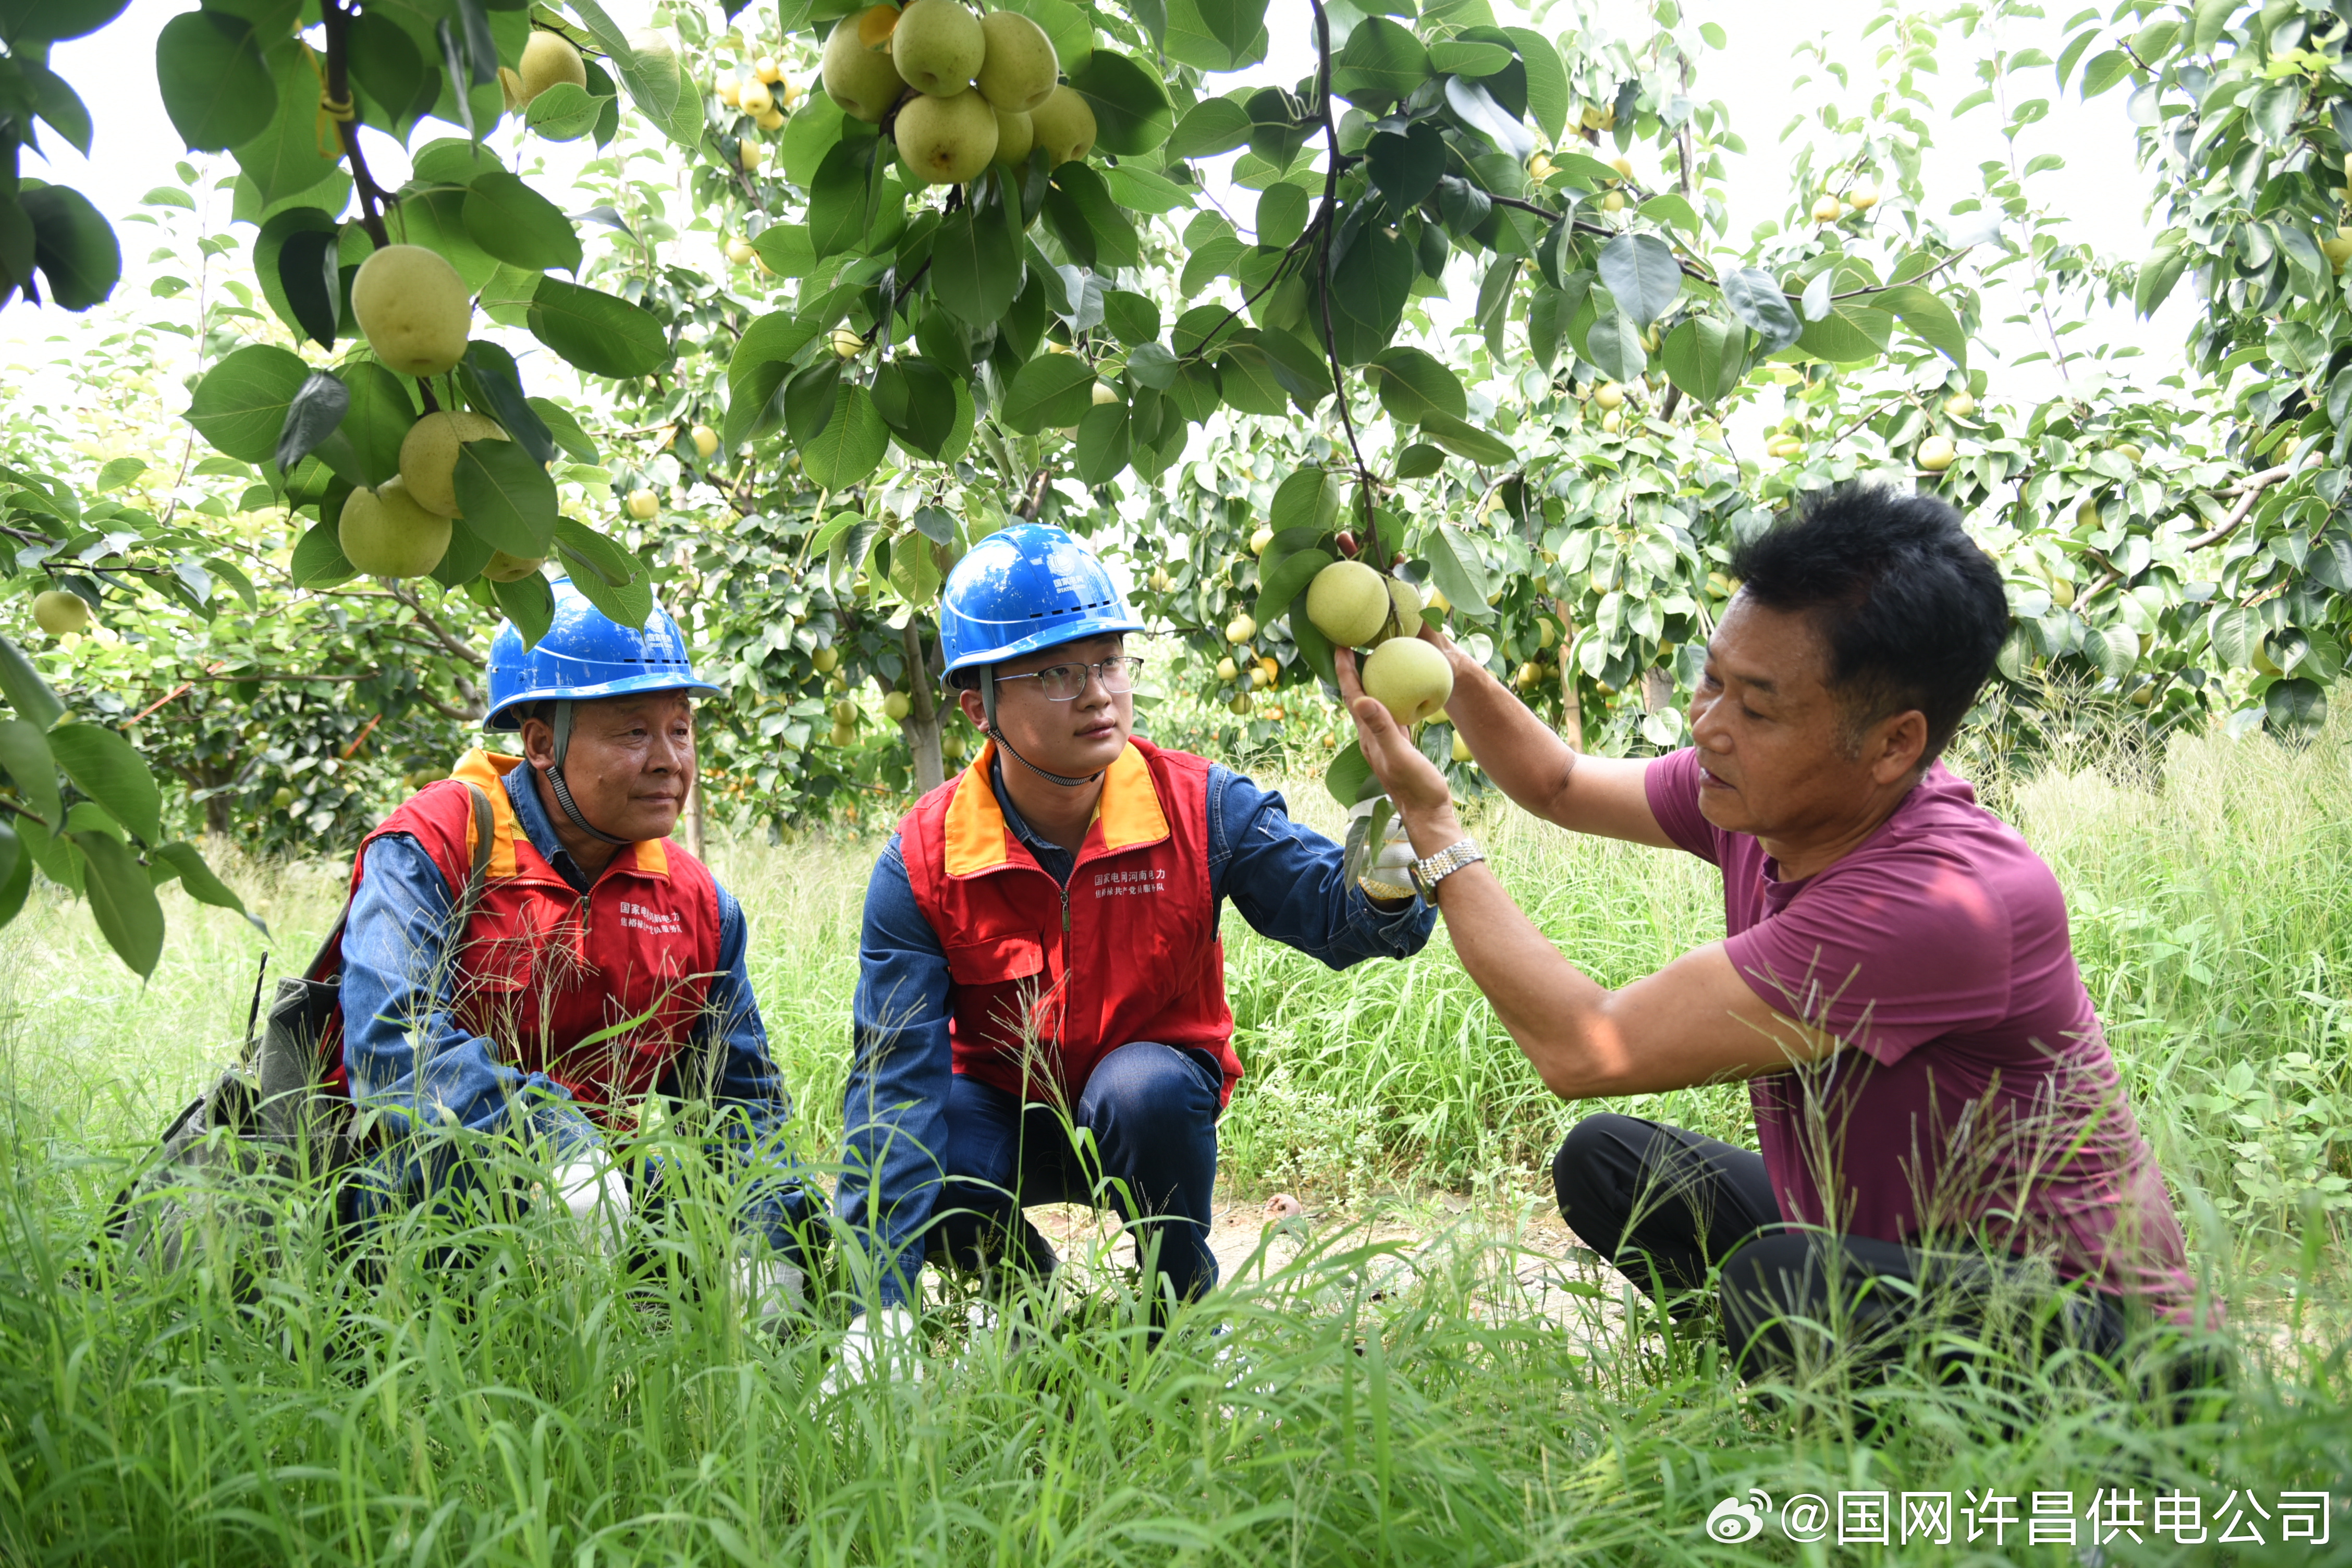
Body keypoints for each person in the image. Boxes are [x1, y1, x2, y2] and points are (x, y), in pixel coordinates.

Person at [1334, 486, 2208, 1389]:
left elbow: (1583, 1047)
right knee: (1611, 1164)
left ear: (1893, 744)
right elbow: (1557, 784)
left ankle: (1885, 1419)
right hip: (1890, 1252)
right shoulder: (1762, 797)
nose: (1708, 726)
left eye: (1757, 708)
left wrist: (1434, 826)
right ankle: (1819, 1388)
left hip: (2110, 1342)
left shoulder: (1942, 901)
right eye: (1713, 679)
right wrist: (1426, 657)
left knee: (1781, 1284)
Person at [832, 523, 1436, 1382]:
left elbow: (1346, 920)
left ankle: (1179, 1311)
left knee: (1143, 1088)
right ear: (978, 706)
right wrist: (874, 1312)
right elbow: (894, 1090)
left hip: (1146, 1114)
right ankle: (1026, 1301)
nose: (1097, 694)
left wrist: (1390, 808)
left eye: (1111, 663)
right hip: (1005, 1116)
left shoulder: (1200, 806)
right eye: (1056, 672)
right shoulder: (924, 860)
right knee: (937, 1150)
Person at [334, 577, 820, 1314]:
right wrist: (551, 1139)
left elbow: (739, 1106)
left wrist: (767, 1237)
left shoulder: (698, 903)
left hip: (608, 1202)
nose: (669, 760)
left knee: (813, 1226)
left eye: (680, 729)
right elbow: (389, 1045)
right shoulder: (440, 841)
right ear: (539, 745)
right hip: (415, 1193)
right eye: (633, 731)